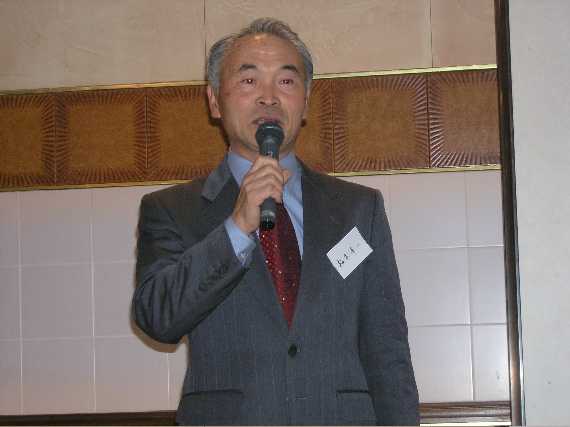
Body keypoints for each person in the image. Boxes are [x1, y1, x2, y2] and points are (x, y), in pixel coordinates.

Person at [132, 18, 419, 426]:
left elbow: (388, 349)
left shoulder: (358, 210)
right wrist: (236, 227)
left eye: (285, 81)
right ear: (214, 101)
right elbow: (158, 318)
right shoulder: (172, 209)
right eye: (248, 81)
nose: (268, 97)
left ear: (306, 101)